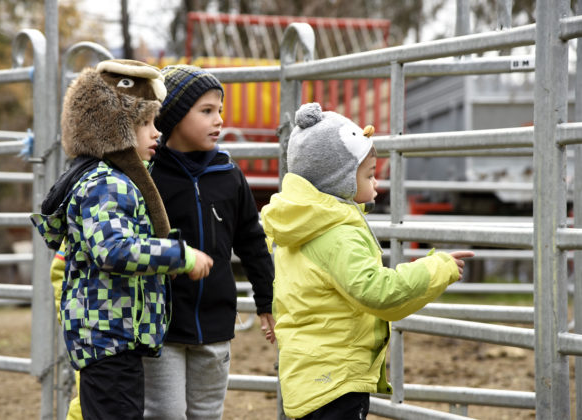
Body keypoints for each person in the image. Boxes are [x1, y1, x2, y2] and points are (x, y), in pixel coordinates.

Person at [260, 102, 474, 420]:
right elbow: (378, 292)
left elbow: (292, 288)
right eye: (370, 175)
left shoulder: (300, 223)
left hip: (309, 374)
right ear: (340, 179)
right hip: (336, 379)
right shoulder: (336, 234)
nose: (377, 184)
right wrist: (437, 268)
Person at [31, 62, 213, 420]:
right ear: (114, 129)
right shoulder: (107, 184)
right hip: (109, 338)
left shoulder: (115, 180)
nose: (156, 132)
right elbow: (113, 249)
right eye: (145, 123)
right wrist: (180, 255)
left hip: (114, 337)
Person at [143, 64, 276, 420]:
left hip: (216, 324)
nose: (219, 120)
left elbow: (252, 241)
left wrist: (267, 299)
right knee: (165, 413)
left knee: (207, 413)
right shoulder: (148, 178)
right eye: (206, 111)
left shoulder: (229, 174)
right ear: (172, 117)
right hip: (162, 325)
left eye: (219, 110)